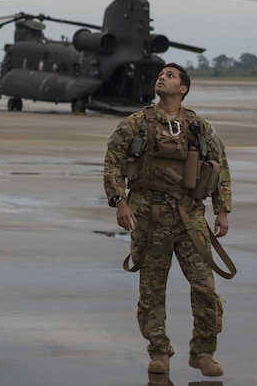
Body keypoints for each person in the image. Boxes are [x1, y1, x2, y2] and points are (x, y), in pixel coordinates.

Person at [103, 62, 233, 379]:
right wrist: (120, 201)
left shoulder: (200, 127)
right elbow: (112, 163)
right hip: (149, 217)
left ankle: (203, 353)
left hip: (189, 218)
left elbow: (220, 166)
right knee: (151, 291)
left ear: (183, 88)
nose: (163, 77)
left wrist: (222, 209)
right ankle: (159, 352)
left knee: (205, 287)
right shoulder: (135, 124)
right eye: (161, 74)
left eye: (170, 75)